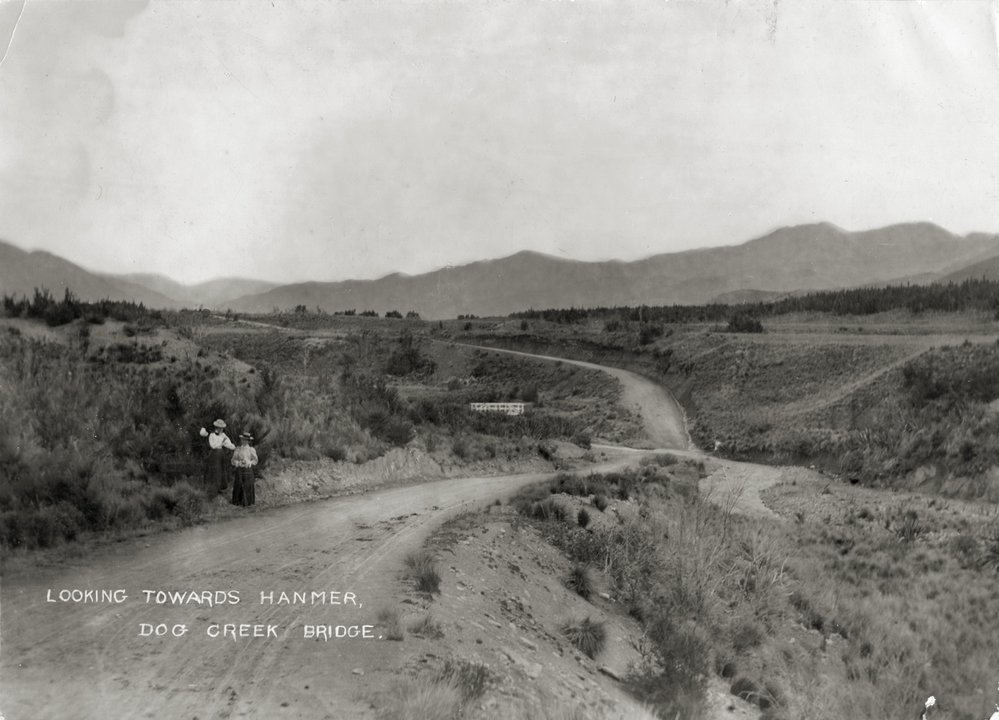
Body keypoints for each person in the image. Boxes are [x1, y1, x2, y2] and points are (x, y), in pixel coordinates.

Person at [199, 419, 235, 497]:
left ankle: (219, 488)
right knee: (213, 471)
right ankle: (212, 489)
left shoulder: (223, 435)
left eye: (222, 428)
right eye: (220, 427)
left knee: (220, 470)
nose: (221, 429)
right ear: (216, 427)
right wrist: (222, 442)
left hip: (221, 454)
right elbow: (213, 445)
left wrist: (234, 447)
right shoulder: (212, 435)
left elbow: (228, 443)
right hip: (214, 455)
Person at [230, 432, 259, 506]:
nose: (244, 441)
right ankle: (237, 502)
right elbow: (233, 460)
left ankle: (247, 502)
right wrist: (237, 462)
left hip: (247, 470)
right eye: (243, 440)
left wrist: (249, 462)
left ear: (248, 441)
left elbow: (255, 460)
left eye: (246, 440)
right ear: (241, 440)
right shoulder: (238, 449)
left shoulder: (251, 449)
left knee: (247, 485)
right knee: (239, 484)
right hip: (239, 469)